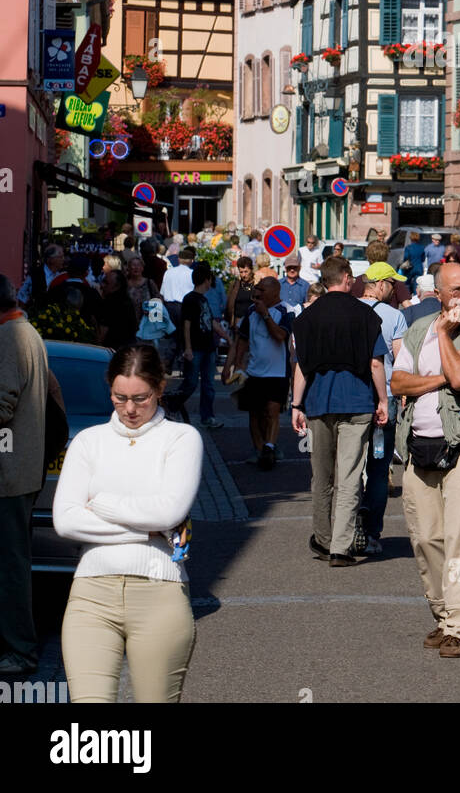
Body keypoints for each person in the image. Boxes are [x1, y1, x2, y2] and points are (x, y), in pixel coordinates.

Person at [53, 343, 203, 703]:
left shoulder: (181, 438)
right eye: (120, 398)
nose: (130, 409)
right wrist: (149, 530)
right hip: (91, 595)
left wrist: (100, 503)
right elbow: (65, 521)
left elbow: (169, 512)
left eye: (141, 397)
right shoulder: (89, 442)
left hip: (160, 594)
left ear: (160, 388)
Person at [391, 261, 460, 656]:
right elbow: (398, 381)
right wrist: (437, 377)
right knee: (427, 539)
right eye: (456, 290)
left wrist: (444, 335)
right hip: (420, 448)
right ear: (438, 294)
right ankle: (443, 613)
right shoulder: (416, 330)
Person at [291, 257, 388, 564]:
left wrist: (296, 405)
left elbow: (301, 366)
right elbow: (375, 363)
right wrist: (383, 400)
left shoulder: (306, 318)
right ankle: (340, 548)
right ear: (346, 278)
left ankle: (322, 538)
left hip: (319, 403)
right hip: (357, 401)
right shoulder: (365, 315)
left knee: (321, 476)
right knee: (349, 476)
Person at [0, 274, 48, 677]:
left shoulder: (9, 337)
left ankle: (20, 650)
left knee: (11, 566)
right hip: (21, 468)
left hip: (8, 472)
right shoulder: (26, 330)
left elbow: (2, 403)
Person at [355, 262, 408, 555]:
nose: (395, 289)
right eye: (392, 283)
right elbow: (401, 361)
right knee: (378, 468)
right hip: (383, 401)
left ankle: (347, 529)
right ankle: (373, 533)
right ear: (380, 284)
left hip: (352, 402)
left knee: (349, 467)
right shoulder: (394, 316)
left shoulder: (349, 311)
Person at [225, 277, 289, 469]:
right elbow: (242, 341)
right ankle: (260, 450)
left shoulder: (286, 311)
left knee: (272, 411)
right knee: (254, 413)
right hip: (254, 372)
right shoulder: (251, 312)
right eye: (257, 289)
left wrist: (266, 315)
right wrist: (236, 365)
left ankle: (269, 447)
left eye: (262, 290)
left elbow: (280, 336)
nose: (257, 293)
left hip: (277, 372)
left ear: (274, 292)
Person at [180, 264, 221, 429]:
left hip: (208, 347)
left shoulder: (203, 299)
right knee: (190, 383)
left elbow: (210, 321)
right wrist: (188, 348)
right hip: (196, 348)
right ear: (207, 280)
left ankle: (208, 416)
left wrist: (225, 336)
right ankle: (172, 404)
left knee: (209, 384)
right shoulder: (190, 299)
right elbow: (186, 324)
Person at [98, 268, 140, 350]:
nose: (101, 285)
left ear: (116, 287)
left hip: (113, 350)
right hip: (128, 349)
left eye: (106, 283)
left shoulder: (110, 303)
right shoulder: (127, 301)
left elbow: (102, 332)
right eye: (103, 281)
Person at [17, 243, 66, 309]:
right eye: (60, 257)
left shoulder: (61, 276)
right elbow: (22, 297)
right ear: (50, 259)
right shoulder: (34, 274)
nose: (63, 259)